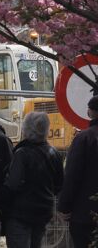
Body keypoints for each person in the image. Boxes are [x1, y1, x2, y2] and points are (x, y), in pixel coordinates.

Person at [0, 111, 63, 248]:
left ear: (26, 129)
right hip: (43, 212)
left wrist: (0, 200)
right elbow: (59, 185)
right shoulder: (54, 153)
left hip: (20, 214)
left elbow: (12, 184)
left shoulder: (22, 153)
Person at [58, 94, 98, 248]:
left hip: (85, 213)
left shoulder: (84, 139)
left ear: (89, 112)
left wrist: (64, 206)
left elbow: (72, 175)